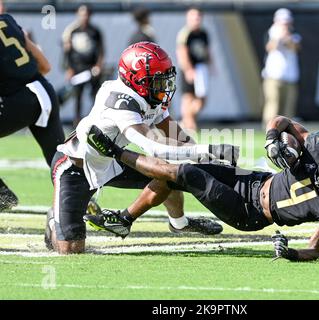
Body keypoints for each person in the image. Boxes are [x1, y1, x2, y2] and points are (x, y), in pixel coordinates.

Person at [85, 115, 319, 262]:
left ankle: (114, 151)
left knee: (187, 173)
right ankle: (125, 220)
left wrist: (292, 254)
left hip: (250, 213)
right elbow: (284, 122)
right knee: (174, 171)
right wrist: (272, 138)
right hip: (253, 180)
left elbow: (315, 248)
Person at [46, 42, 235, 254]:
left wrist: (210, 160)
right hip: (78, 167)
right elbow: (154, 148)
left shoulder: (149, 97)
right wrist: (207, 150)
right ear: (136, 80)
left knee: (166, 173)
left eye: (165, 78)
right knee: (70, 249)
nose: (164, 86)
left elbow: (178, 137)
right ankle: (54, 220)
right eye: (158, 80)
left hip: (114, 159)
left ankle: (176, 223)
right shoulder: (120, 101)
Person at [0, 13, 65, 211]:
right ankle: (83, 201)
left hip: (18, 100)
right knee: (60, 161)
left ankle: (2, 196)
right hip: (44, 90)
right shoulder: (6, 20)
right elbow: (45, 65)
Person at [62, 4, 104, 127]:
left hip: (91, 68)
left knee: (95, 96)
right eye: (81, 14)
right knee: (77, 97)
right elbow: (68, 53)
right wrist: (69, 69)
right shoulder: (73, 31)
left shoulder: (95, 31)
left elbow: (101, 50)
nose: (84, 17)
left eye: (86, 14)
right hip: (77, 69)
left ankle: (96, 122)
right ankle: (77, 123)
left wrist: (98, 65)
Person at [262, 8, 301, 128]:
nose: (285, 25)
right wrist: (278, 37)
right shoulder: (271, 33)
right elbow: (270, 47)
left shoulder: (294, 35)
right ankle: (269, 130)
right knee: (273, 105)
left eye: (286, 22)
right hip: (273, 77)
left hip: (290, 77)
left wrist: (287, 37)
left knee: (288, 109)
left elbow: (295, 48)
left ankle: (286, 133)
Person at [176, 7, 211, 131]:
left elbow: (206, 51)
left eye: (198, 17)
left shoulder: (203, 33)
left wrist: (210, 64)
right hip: (190, 68)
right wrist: (188, 69)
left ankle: (185, 121)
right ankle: (189, 124)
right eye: (193, 17)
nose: (196, 20)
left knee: (202, 99)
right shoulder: (186, 33)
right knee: (188, 97)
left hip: (201, 68)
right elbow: (182, 52)